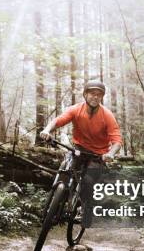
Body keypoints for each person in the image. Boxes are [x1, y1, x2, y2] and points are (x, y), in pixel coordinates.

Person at [39, 80, 122, 228]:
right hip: (78, 149)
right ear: (85, 94)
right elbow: (59, 120)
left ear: (101, 97)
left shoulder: (107, 115)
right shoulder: (76, 109)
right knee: (65, 170)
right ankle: (57, 202)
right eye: (92, 94)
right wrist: (46, 130)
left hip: (98, 154)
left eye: (99, 95)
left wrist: (110, 153)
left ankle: (86, 209)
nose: (95, 97)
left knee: (88, 182)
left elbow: (117, 140)